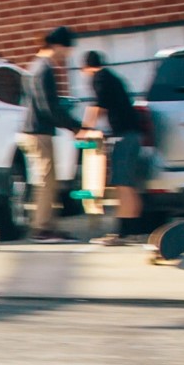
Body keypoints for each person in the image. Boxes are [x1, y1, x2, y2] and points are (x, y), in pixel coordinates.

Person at [20, 25, 83, 243]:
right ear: (57, 46)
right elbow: (49, 106)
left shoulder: (34, 66)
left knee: (48, 180)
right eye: (67, 49)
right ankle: (42, 229)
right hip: (39, 132)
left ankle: (48, 226)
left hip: (35, 130)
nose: (67, 55)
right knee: (47, 181)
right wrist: (75, 127)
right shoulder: (44, 68)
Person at [79, 50, 146, 245]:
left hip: (125, 136)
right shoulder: (112, 78)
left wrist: (85, 129)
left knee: (122, 184)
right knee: (129, 185)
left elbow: (98, 106)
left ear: (86, 68)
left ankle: (123, 233)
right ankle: (133, 230)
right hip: (133, 134)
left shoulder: (99, 78)